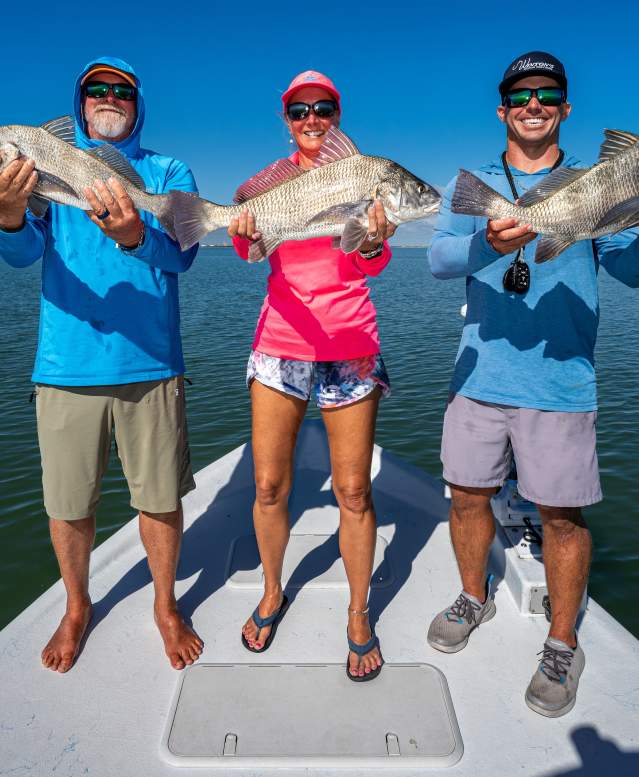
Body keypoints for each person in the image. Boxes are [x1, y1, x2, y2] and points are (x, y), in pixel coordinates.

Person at [428, 51, 639, 716]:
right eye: (520, 95)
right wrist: (489, 243)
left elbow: (631, 272)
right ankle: (472, 593)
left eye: (547, 94)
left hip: (560, 380)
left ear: (564, 109)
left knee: (561, 519)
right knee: (466, 496)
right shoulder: (474, 185)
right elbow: (437, 260)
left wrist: (633, 215)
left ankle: (560, 640)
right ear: (501, 109)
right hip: (479, 375)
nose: (533, 104)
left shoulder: (595, 183)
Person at [0, 57, 203, 673]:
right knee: (68, 502)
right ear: (81, 103)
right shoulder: (40, 166)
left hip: (152, 364)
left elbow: (183, 259)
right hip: (66, 365)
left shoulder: (168, 172)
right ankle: (76, 605)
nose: (109, 98)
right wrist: (9, 214)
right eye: (97, 91)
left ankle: (166, 605)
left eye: (121, 91)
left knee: (160, 498)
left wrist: (136, 235)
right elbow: (24, 253)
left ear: (139, 105)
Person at [228, 71, 395, 681]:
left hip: (350, 342)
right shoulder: (268, 183)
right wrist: (243, 229)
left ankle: (357, 613)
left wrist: (376, 236)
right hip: (280, 343)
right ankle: (273, 590)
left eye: (322, 109)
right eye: (299, 111)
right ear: (286, 118)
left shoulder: (364, 177)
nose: (311, 120)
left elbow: (372, 263)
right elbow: (250, 253)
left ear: (337, 114)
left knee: (353, 490)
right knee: (270, 485)